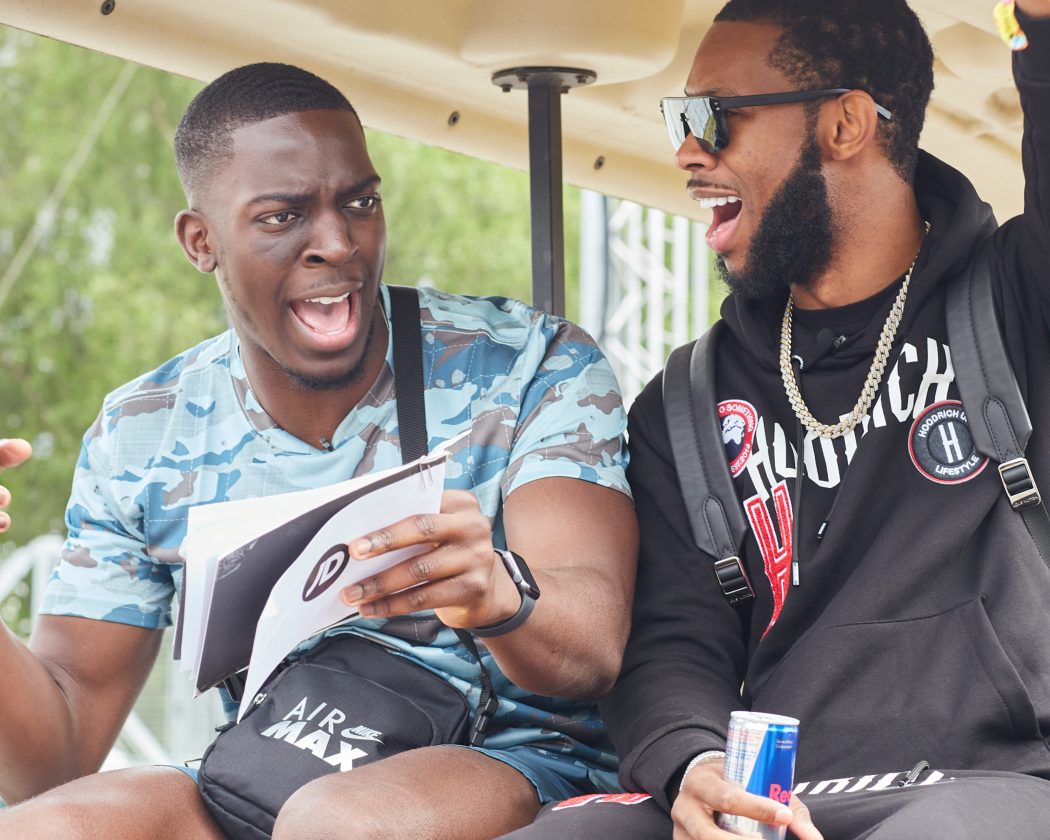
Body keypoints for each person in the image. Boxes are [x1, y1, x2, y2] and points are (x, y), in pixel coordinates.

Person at [0, 62, 638, 839]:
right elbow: (55, 755)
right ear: (201, 241)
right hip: (268, 769)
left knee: (332, 824)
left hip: (522, 763)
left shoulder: (529, 364)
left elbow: (593, 650)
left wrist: (501, 593)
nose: (337, 244)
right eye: (282, 217)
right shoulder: (142, 432)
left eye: (360, 203)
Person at [501, 1, 1050, 838]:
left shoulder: (1018, 297)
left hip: (994, 784)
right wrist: (693, 765)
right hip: (774, 796)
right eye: (680, 117)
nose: (688, 151)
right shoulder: (685, 402)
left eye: (716, 116)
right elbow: (673, 644)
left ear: (845, 123)